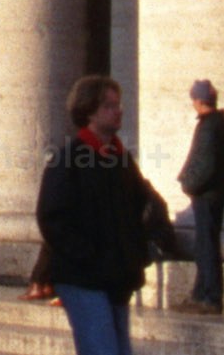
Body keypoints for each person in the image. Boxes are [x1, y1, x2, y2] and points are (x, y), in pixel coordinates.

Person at [36, 77, 167, 355]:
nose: (118, 110)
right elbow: (52, 218)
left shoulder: (121, 159)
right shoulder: (68, 159)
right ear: (89, 111)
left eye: (118, 105)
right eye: (109, 106)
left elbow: (140, 206)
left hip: (118, 276)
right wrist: (89, 255)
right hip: (83, 276)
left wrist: (138, 251)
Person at [176, 79, 224, 314]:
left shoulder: (209, 126)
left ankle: (211, 298)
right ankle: (199, 294)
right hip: (217, 193)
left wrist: (188, 184)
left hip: (207, 195)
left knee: (207, 246)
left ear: (197, 100)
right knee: (206, 244)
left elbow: (205, 164)